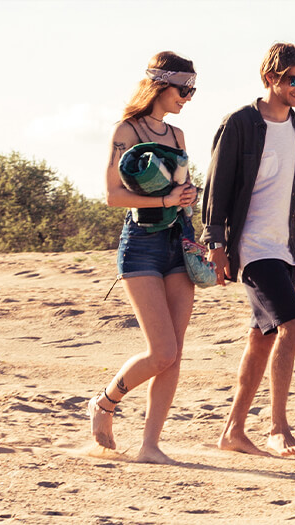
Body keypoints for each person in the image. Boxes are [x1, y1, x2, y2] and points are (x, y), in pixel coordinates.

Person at [202, 43, 295, 457]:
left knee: (262, 338)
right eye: (294, 79)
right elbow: (216, 186)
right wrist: (215, 243)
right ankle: (278, 427)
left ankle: (233, 431)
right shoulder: (240, 124)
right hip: (251, 247)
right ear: (271, 78)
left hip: (286, 248)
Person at [89, 51, 200, 464]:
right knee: (161, 350)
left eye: (193, 89)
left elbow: (182, 192)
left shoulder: (178, 136)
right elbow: (113, 195)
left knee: (176, 351)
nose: (188, 96)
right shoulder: (127, 130)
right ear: (159, 84)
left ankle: (150, 445)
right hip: (141, 243)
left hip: (178, 242)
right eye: (183, 88)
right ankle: (104, 403)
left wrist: (188, 199)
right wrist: (168, 197)